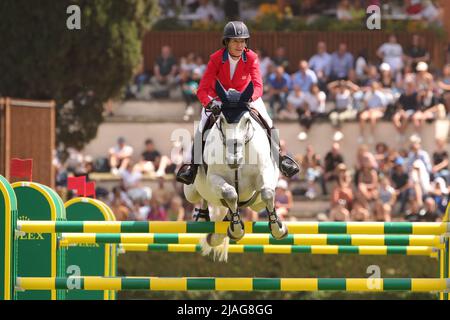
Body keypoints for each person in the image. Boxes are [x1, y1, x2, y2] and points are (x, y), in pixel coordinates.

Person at [176, 21, 300, 185]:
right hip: (219, 100)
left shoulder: (251, 57)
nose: (240, 45)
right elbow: (202, 89)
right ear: (226, 42)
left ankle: (280, 159)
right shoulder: (216, 58)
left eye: (242, 41)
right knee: (201, 126)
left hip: (245, 98)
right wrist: (210, 103)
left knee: (268, 121)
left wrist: (248, 99)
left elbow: (258, 86)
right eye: (235, 41)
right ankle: (193, 167)